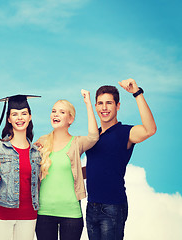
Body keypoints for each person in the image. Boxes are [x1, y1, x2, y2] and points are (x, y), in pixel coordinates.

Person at [85, 78, 157, 240]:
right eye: (100, 103)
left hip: (112, 207)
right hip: (91, 206)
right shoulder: (94, 136)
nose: (104, 107)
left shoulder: (125, 133)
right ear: (95, 106)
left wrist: (137, 93)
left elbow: (150, 129)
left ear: (117, 106)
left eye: (109, 103)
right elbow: (94, 168)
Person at [35, 90, 99, 240]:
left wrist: (88, 103)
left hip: (71, 214)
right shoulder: (42, 142)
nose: (55, 115)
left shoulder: (77, 143)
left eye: (62, 112)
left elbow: (94, 136)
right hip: (44, 213)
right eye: (53, 111)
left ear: (71, 119)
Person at [0, 95, 41, 240]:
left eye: (24, 113)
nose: (19, 118)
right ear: (9, 119)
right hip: (2, 215)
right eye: (14, 114)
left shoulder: (36, 153)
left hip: (29, 216)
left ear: (30, 117)